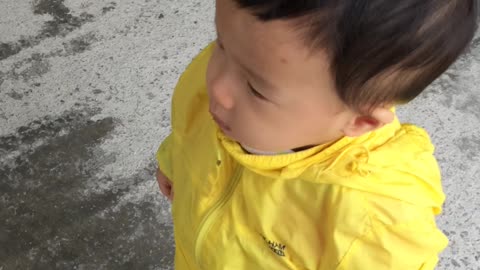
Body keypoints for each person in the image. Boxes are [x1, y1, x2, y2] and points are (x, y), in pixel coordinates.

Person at [156, 0, 478, 269]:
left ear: (361, 122)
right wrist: (174, 162)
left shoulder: (372, 224)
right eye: (220, 43)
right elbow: (188, 129)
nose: (217, 86)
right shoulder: (238, 71)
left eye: (256, 88)